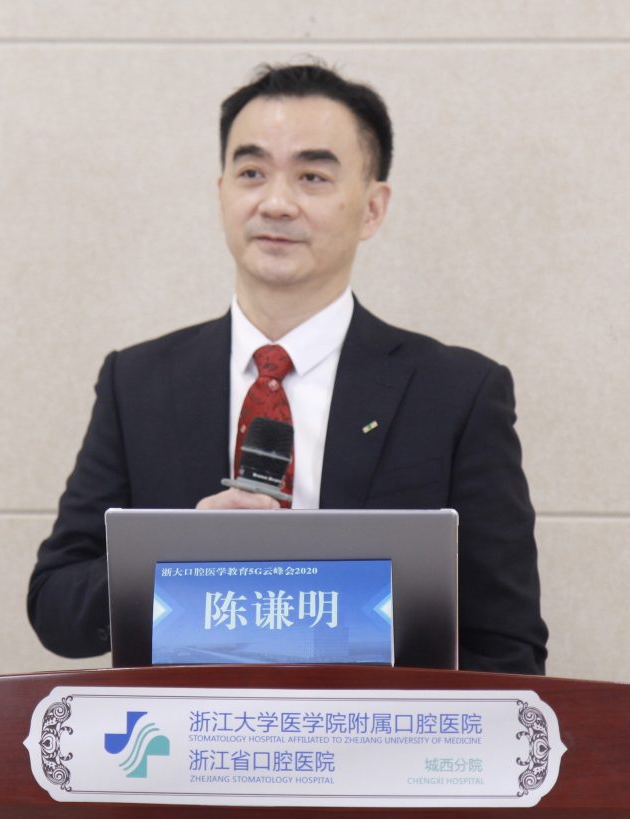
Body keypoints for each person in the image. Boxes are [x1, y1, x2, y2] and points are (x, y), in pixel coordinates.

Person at [28, 62, 548, 674]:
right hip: (191, 731)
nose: (276, 203)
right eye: (252, 173)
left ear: (372, 208)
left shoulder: (456, 394)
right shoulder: (138, 383)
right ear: (221, 194)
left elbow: (507, 646)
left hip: (375, 731)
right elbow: (57, 606)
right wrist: (172, 555)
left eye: (312, 177)